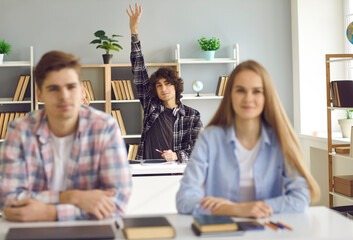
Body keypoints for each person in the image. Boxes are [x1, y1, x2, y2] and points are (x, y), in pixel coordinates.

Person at [176, 60, 320, 218]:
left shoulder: (281, 139)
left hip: (268, 231)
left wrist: (252, 208)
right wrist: (234, 210)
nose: (248, 98)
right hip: (223, 231)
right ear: (230, 95)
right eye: (240, 90)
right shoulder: (209, 138)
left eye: (257, 91)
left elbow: (300, 199)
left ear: (266, 96)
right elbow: (185, 199)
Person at [0, 51, 132, 222]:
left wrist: (50, 213)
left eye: (71, 87)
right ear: (40, 94)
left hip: (90, 232)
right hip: (35, 233)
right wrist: (72, 197)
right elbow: (9, 199)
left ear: (82, 89)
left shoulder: (105, 127)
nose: (64, 96)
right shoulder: (20, 130)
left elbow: (118, 202)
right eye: (53, 88)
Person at [126, 4, 203, 163]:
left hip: (174, 172)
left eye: (167, 84)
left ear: (176, 86)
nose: (163, 88)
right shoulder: (151, 106)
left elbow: (198, 150)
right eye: (159, 85)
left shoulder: (192, 116)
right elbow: (139, 70)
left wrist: (176, 155)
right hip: (146, 168)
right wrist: (134, 32)